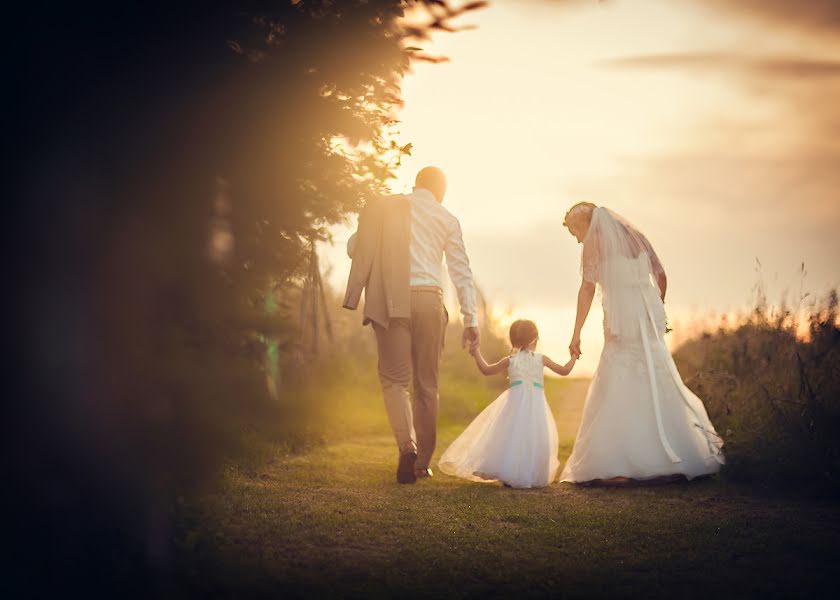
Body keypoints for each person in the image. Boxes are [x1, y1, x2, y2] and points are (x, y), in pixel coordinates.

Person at [560, 203, 724, 485]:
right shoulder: (638, 237)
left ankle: (619, 463)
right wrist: (656, 307)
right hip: (647, 313)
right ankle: (671, 458)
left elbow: (587, 288)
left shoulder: (592, 244)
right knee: (653, 374)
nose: (577, 239)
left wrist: (576, 333)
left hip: (621, 316)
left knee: (619, 373)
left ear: (585, 223)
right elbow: (660, 275)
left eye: (576, 232)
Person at [344, 166, 479, 484]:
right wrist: (471, 319)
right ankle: (422, 465)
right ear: (440, 191)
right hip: (430, 300)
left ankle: (408, 447)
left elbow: (354, 248)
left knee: (394, 381)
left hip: (392, 297)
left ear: (415, 184)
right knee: (427, 386)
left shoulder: (388, 208)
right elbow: (461, 272)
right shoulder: (447, 219)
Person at [438, 319, 576, 488]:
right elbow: (564, 370)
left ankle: (510, 471)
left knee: (511, 437)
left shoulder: (510, 360)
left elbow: (486, 369)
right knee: (533, 438)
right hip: (536, 407)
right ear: (535, 339)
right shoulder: (541, 359)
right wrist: (574, 356)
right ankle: (529, 473)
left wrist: (476, 353)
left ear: (513, 340)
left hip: (513, 405)